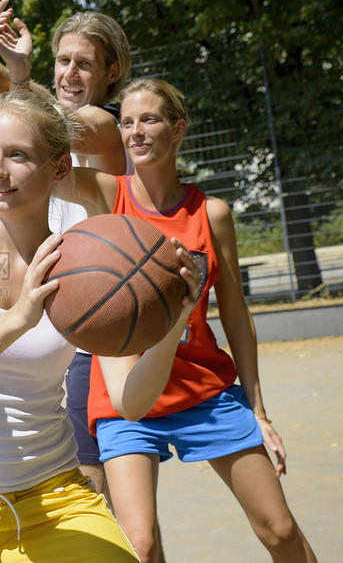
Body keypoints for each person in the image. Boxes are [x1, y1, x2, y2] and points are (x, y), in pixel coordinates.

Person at [0, 88, 198, 562]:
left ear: (59, 168)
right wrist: (19, 318)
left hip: (53, 499)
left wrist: (175, 324)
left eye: (17, 156)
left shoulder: (87, 270)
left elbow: (130, 402)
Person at [66, 77, 316, 563]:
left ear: (178, 128)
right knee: (138, 545)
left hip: (204, 390)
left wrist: (259, 411)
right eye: (128, 122)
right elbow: (36, 156)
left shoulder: (211, 213)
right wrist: (9, 71)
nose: (136, 132)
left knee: (280, 531)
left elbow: (237, 317)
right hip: (127, 399)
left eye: (150, 120)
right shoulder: (104, 193)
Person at [0, 0, 132, 504]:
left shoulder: (107, 124)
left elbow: (39, 120)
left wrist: (11, 71)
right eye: (62, 60)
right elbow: (25, 117)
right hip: (52, 298)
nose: (68, 74)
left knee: (110, 487)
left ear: (112, 72)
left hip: (96, 309)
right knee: (98, 482)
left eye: (83, 64)